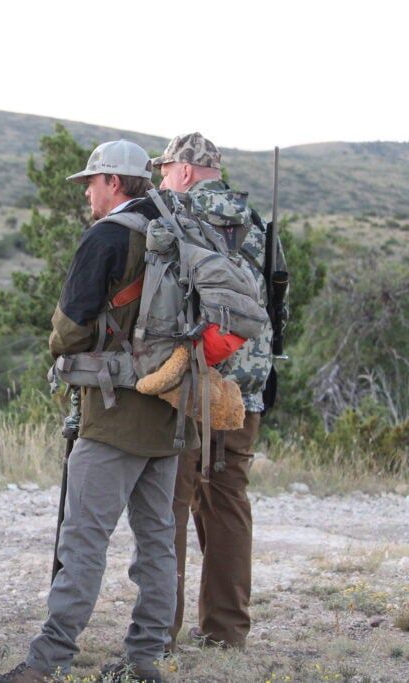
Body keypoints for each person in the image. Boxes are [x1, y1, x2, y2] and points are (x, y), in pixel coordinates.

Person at [0, 140, 195, 683]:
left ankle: (46, 661)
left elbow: (71, 328)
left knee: (82, 539)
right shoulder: (179, 227)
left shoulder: (107, 236)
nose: (87, 191)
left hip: (113, 409)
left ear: (116, 184)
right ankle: (145, 657)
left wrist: (61, 351)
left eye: (92, 181)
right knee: (158, 540)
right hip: (172, 409)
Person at [153, 132, 286, 650]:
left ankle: (160, 631)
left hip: (191, 382)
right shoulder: (257, 225)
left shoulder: (176, 216)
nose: (163, 178)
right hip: (247, 387)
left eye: (165, 170)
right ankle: (226, 632)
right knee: (228, 500)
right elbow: (278, 304)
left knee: (171, 502)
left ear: (185, 171)